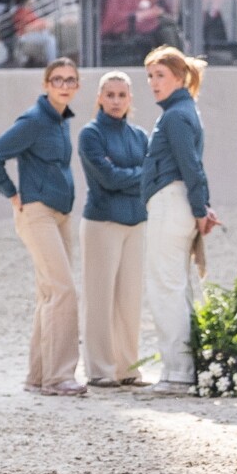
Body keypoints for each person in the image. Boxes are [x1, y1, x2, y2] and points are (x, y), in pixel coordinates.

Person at [0, 59, 84, 397]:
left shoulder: (60, 120)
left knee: (49, 293)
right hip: (37, 212)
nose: (64, 85)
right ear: (46, 84)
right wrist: (10, 192)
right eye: (57, 80)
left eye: (70, 80)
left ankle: (39, 376)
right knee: (64, 290)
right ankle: (60, 376)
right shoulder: (35, 120)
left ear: (77, 86)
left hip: (60, 214)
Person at [141, 46, 218, 396]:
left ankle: (178, 372)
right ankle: (182, 368)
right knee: (176, 287)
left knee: (165, 289)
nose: (153, 83)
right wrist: (202, 206)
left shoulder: (175, 116)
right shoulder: (183, 111)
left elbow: (191, 166)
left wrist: (202, 208)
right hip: (177, 203)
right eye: (150, 76)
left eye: (160, 75)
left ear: (178, 77)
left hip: (171, 204)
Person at [78, 71, 150, 389]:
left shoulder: (140, 136)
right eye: (110, 95)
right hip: (102, 224)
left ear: (130, 99)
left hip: (136, 224)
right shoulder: (90, 135)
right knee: (100, 298)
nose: (116, 101)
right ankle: (100, 370)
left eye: (122, 95)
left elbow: (149, 176)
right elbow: (108, 179)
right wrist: (137, 173)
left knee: (130, 299)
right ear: (99, 98)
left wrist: (129, 174)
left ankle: (127, 368)